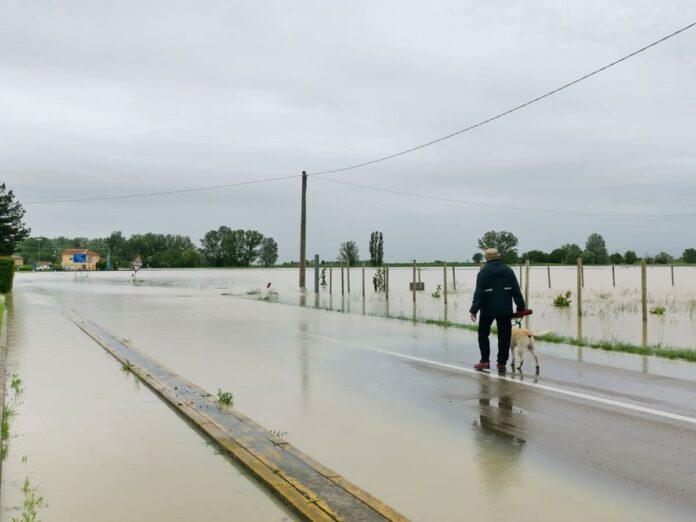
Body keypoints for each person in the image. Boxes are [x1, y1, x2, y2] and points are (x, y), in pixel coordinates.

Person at [469, 248, 525, 372]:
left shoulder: (483, 272)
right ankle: (501, 363)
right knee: (504, 336)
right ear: (498, 256)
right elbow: (516, 290)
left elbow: (478, 293)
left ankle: (484, 361)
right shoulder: (508, 270)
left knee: (483, 334)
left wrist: (474, 310)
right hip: (505, 309)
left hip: (487, 310)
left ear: (486, 257)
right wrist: (521, 307)